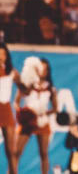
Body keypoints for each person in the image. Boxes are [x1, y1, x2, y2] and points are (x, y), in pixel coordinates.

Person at [15, 58, 57, 174]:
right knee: (16, 152)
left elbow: (55, 108)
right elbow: (16, 102)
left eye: (45, 69)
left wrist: (42, 115)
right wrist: (21, 113)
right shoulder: (28, 85)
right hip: (27, 121)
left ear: (48, 71)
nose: (42, 71)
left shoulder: (50, 89)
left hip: (41, 122)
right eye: (40, 68)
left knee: (43, 153)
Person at [0, 44, 19, 174]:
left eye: (3, 54)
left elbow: (24, 88)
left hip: (6, 110)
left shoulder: (12, 72)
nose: (1, 57)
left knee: (11, 150)